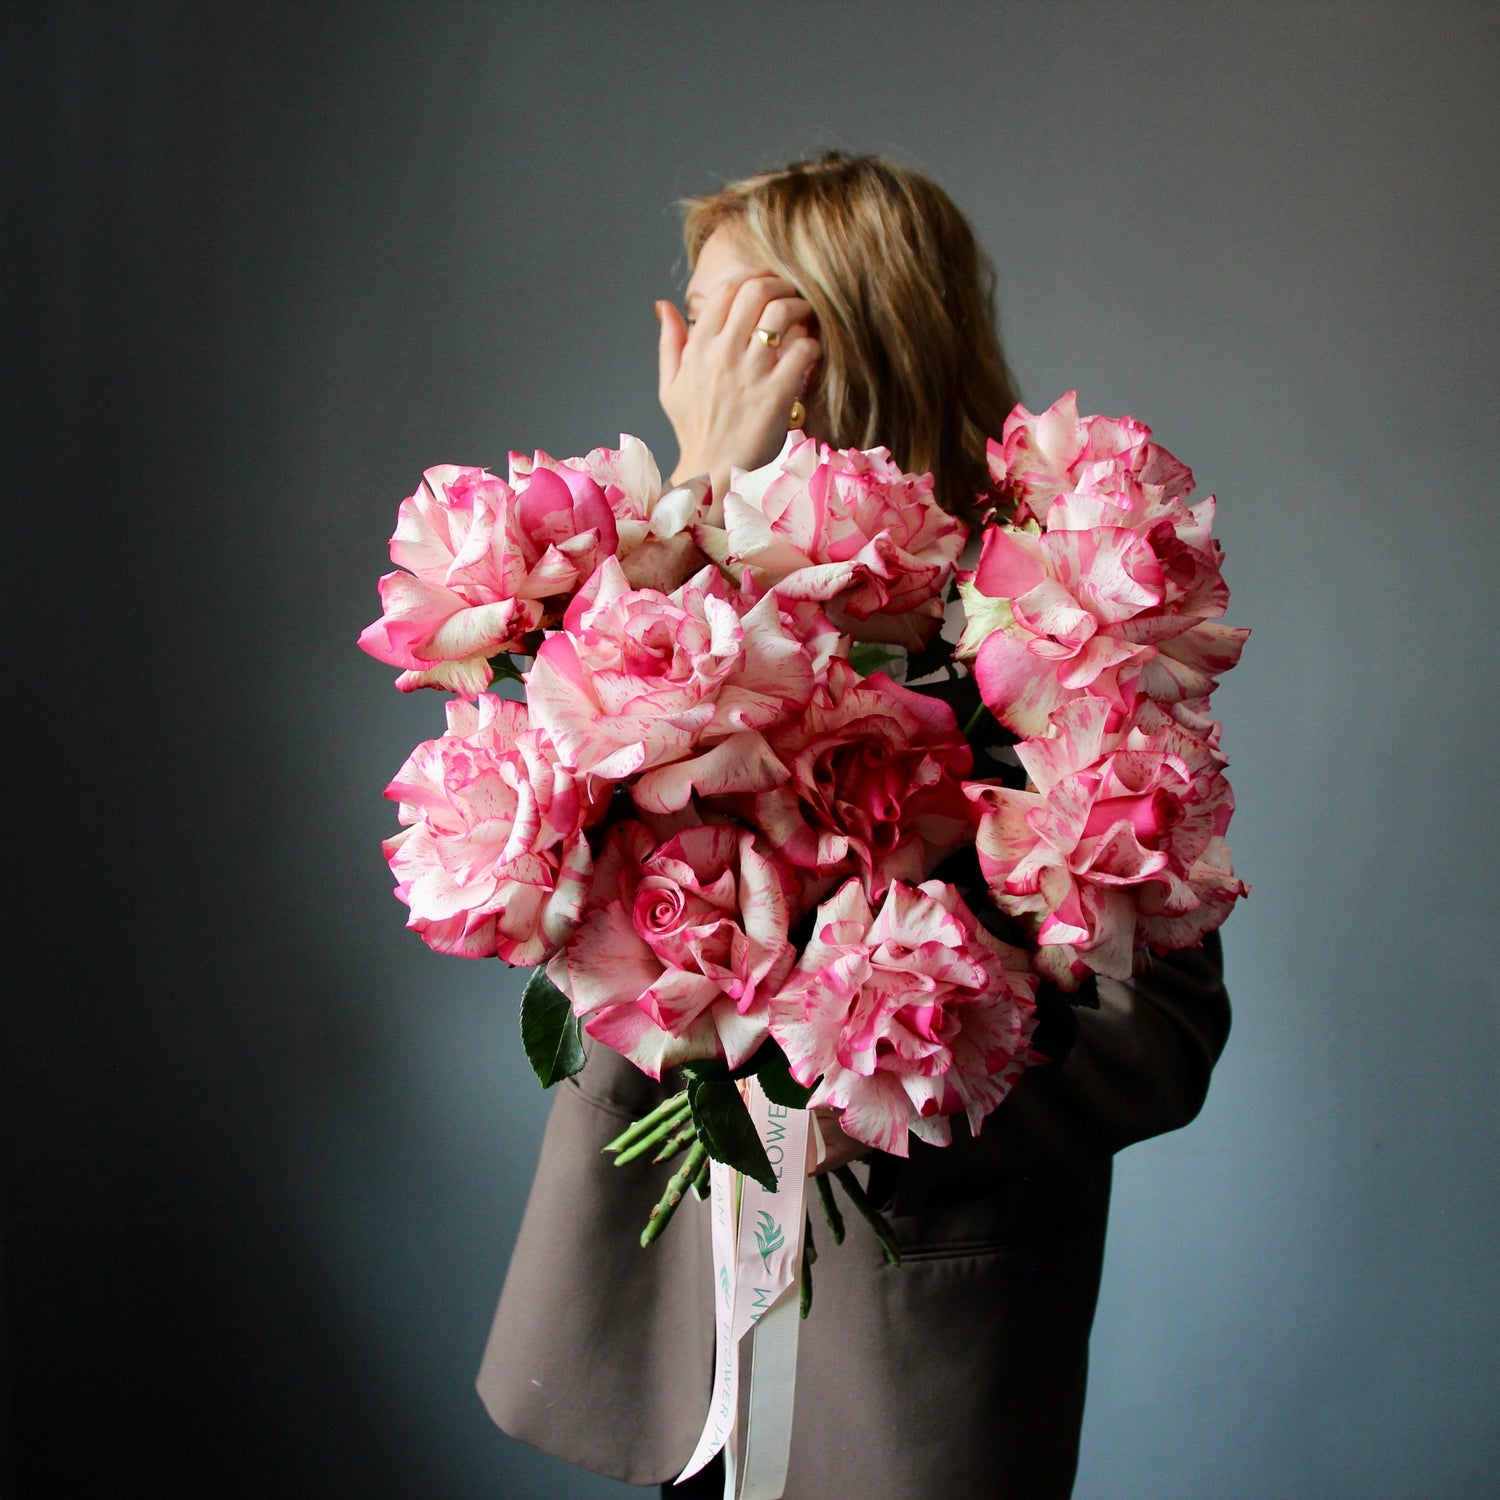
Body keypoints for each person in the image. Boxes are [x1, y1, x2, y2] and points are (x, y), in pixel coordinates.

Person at [476, 152, 1232, 1500]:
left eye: (731, 321)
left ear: (842, 350)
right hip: (683, 1335)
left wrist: (898, 1079)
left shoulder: (1051, 631)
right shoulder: (666, 600)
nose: (687, 360)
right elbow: (559, 876)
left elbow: (1159, 1033)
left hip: (904, 1350)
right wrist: (698, 482)